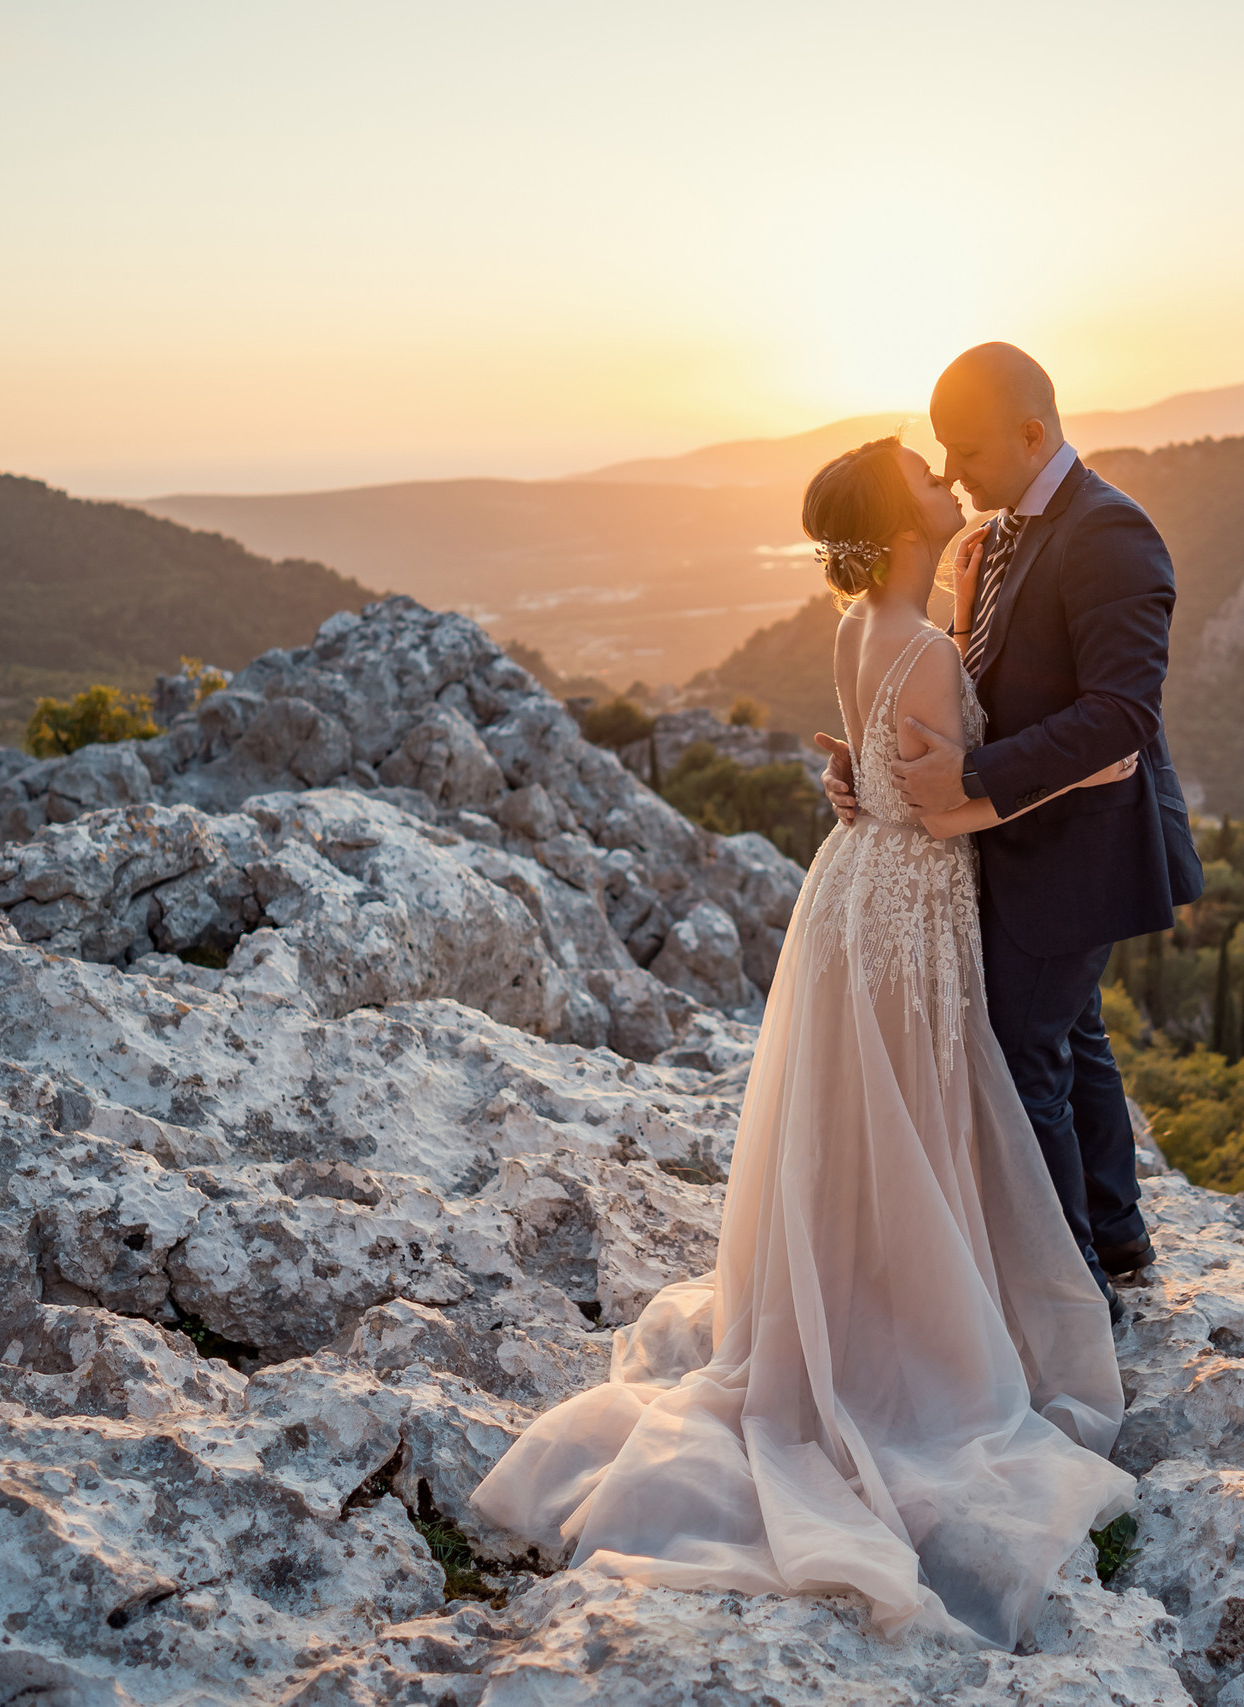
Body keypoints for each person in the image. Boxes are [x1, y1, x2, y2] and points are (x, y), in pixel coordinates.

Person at [471, 430, 1141, 1650]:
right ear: (895, 528)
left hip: (851, 892)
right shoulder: (929, 646)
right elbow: (943, 803)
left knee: (867, 1113)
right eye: (928, 483)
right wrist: (1094, 780)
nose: (948, 487)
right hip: (910, 897)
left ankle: (863, 1287)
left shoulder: (853, 628)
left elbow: (883, 770)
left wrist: (865, 785)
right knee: (914, 1106)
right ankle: (911, 1321)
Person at [823, 343, 1203, 1311]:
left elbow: (1123, 713)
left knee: (1021, 1051)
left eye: (966, 450)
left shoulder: (1111, 534)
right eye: (937, 455)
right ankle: (1113, 1239)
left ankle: (1067, 1295)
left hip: (1077, 849)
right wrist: (875, 767)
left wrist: (971, 778)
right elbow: (972, 682)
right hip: (1016, 844)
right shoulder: (993, 537)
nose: (950, 472)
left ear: (1033, 435)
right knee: (1072, 1036)